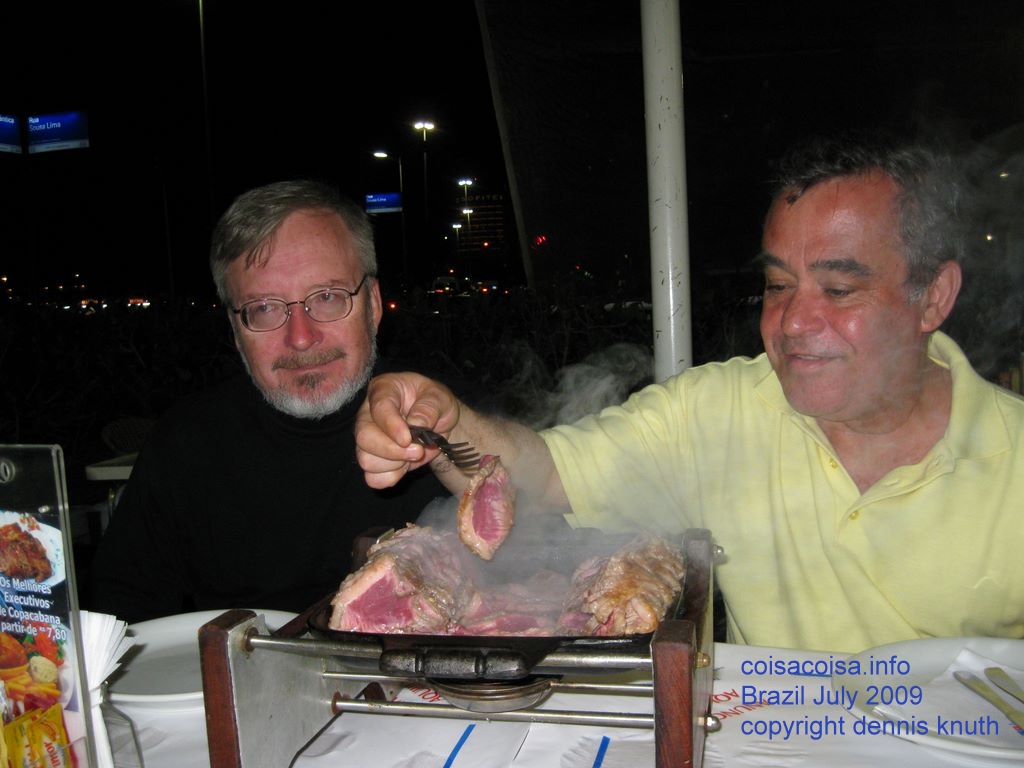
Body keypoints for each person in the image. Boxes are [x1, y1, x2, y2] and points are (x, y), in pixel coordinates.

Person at [353, 134, 1024, 654]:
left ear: (932, 295)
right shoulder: (719, 410)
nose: (792, 322)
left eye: (839, 290)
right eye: (779, 285)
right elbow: (539, 475)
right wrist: (440, 413)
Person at [90, 179, 449, 623]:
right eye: (264, 308)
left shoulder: (443, 425)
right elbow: (117, 615)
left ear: (373, 304)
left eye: (328, 297)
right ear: (235, 330)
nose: (300, 338)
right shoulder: (186, 444)